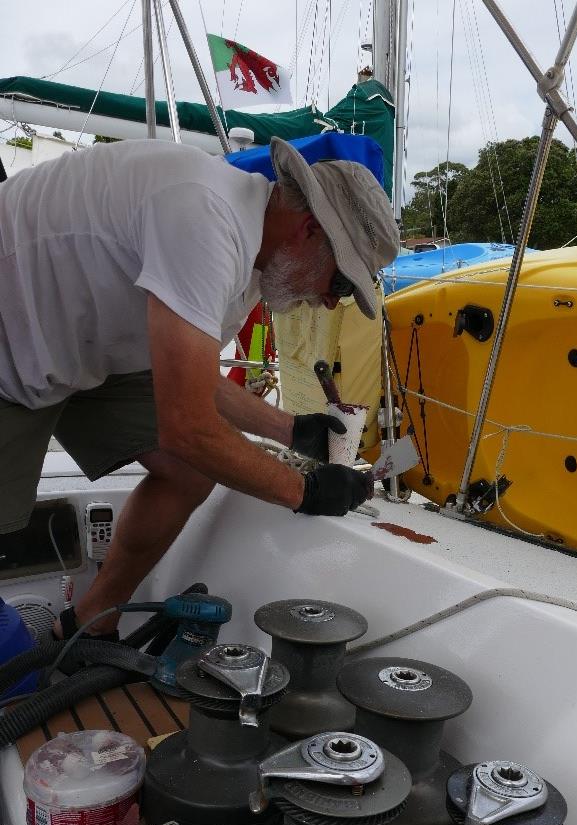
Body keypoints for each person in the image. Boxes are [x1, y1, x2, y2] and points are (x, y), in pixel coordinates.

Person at [0, 135, 400, 637]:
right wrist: (306, 490)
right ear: (309, 230)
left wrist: (294, 430)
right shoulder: (206, 218)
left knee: (187, 474)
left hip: (80, 341)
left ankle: (87, 626)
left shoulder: (256, 254)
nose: (326, 302)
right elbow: (187, 426)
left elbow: (192, 380)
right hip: (11, 338)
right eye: (339, 284)